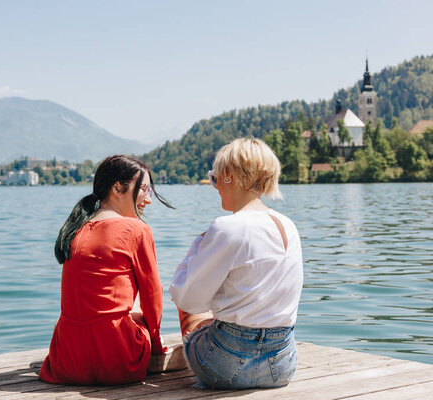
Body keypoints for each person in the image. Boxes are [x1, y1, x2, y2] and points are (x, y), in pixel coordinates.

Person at [169, 138, 304, 389]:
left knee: (195, 305)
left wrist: (198, 246)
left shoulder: (227, 227)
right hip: (281, 367)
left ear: (229, 174)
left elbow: (185, 297)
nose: (216, 186)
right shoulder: (288, 226)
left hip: (224, 366)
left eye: (215, 178)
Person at [39, 155, 175, 385]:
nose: (148, 200)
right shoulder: (136, 229)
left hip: (66, 362)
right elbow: (153, 296)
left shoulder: (75, 229)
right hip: (119, 361)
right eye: (143, 189)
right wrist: (155, 344)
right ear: (117, 188)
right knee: (138, 301)